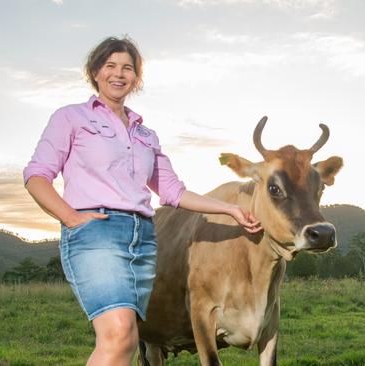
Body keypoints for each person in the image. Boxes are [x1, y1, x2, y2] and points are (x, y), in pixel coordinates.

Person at [23, 36, 261, 365]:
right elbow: (36, 176)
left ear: (136, 78)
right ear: (95, 72)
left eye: (127, 68)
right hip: (97, 232)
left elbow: (173, 192)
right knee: (119, 334)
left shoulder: (144, 134)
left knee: (128, 337)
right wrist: (71, 217)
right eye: (110, 66)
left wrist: (230, 208)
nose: (118, 74)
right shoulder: (72, 118)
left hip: (144, 240)